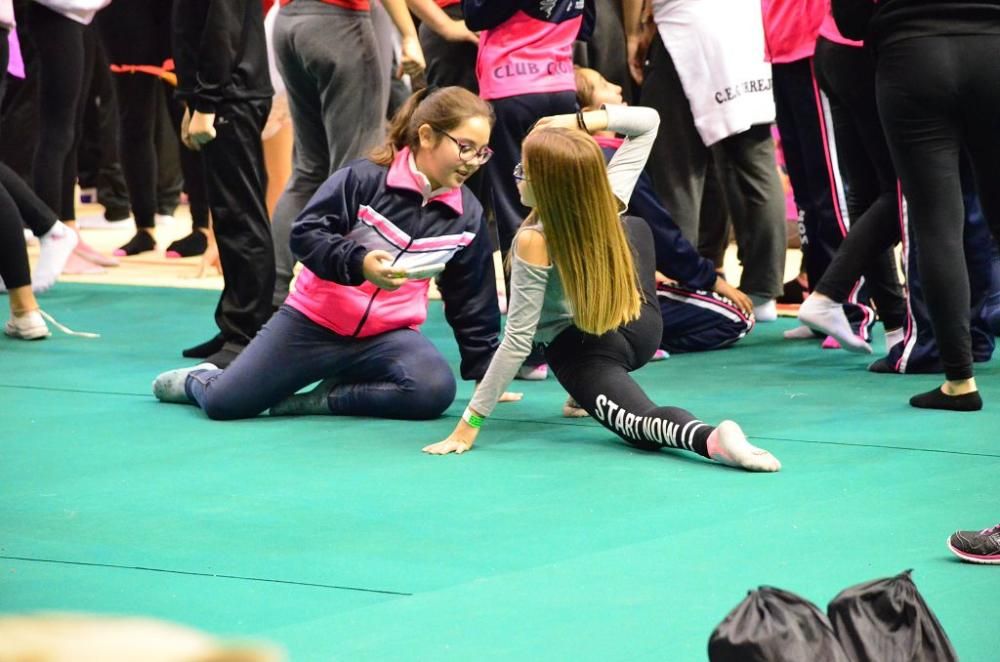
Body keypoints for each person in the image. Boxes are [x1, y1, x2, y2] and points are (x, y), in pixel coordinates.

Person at [422, 103, 781, 472]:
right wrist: (575, 122)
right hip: (641, 321)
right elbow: (649, 122)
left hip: (584, 349)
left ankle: (711, 438)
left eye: (523, 171)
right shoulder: (601, 196)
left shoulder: (534, 240)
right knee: (633, 226)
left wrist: (470, 425)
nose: (516, 177)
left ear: (546, 184)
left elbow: (517, 340)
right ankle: (586, 392)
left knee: (641, 426)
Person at [152, 87, 509, 422]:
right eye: (465, 146)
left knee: (433, 390)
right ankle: (198, 380)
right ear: (427, 136)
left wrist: (483, 371)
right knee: (225, 404)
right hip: (311, 324)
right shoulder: (361, 180)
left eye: (482, 151)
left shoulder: (468, 216)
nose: (474, 161)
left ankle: (323, 399)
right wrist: (360, 262)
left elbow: (472, 297)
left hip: (388, 337)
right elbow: (306, 234)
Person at [832, 0, 1000, 411]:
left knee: (937, 221)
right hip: (993, 47)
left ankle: (959, 381)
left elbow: (849, 20)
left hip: (912, 53)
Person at [575, 66, 754, 354]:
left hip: (578, 294)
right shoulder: (612, 159)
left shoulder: (569, 159)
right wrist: (709, 279)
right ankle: (630, 343)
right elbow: (660, 233)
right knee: (737, 316)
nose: (619, 88)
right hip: (611, 296)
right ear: (588, 112)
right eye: (605, 84)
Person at [172, 0, 277, 368]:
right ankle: (237, 324)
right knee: (229, 214)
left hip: (232, 94)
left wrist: (206, 102)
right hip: (223, 92)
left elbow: (222, 27)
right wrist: (193, 99)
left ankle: (247, 330)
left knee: (240, 214)